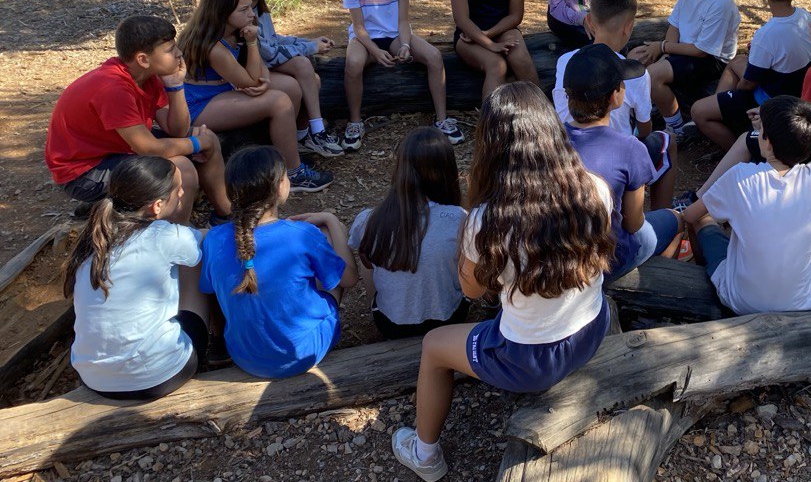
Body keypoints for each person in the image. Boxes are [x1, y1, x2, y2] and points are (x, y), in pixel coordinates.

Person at [391, 82, 614, 481]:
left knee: (433, 347)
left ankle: (425, 454)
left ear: (492, 145)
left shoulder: (487, 221)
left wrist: (471, 224)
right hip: (592, 328)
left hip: (528, 360)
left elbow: (471, 291)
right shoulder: (595, 189)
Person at [676, 0, 811, 209]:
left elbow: (800, 126)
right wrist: (771, 111)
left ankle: (698, 198)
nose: (809, 25)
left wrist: (768, 120)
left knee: (747, 138)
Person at [46, 15, 231, 223]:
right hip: (83, 173)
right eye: (170, 50)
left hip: (118, 151)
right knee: (181, 168)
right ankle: (176, 238)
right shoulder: (114, 89)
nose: (179, 53)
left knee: (206, 138)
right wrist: (196, 144)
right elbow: (150, 149)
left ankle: (226, 215)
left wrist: (175, 86)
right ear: (143, 59)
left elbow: (177, 130)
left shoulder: (147, 77)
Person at [199, 146, 357, 378]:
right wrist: (333, 222)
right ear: (280, 186)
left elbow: (210, 289)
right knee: (327, 236)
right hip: (305, 351)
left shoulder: (213, 239)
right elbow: (350, 279)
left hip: (245, 355)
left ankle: (218, 341)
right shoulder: (302, 234)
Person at [65, 156, 208, 400]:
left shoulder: (93, 239)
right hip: (161, 375)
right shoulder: (164, 236)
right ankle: (214, 345)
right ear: (157, 206)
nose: (183, 192)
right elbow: (206, 242)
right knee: (195, 260)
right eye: (179, 189)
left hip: (94, 378)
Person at [178, 0, 332, 192]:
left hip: (224, 90)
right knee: (279, 101)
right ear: (222, 13)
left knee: (290, 87)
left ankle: (286, 151)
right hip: (198, 105)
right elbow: (250, 80)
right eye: (244, 10)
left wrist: (265, 79)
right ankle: (293, 173)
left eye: (250, 7)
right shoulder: (215, 47)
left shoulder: (235, 31)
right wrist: (252, 44)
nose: (251, 14)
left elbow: (258, 74)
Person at [681, 96, 811, 315]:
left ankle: (705, 267)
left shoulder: (741, 177)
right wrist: (771, 125)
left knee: (703, 219)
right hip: (802, 300)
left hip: (742, 301)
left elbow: (690, 215)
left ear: (767, 141)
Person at [552, 0, 678, 209]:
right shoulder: (635, 75)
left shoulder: (565, 62)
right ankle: (663, 212)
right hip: (618, 160)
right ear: (628, 28)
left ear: (589, 21)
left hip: (567, 153)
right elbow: (644, 128)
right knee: (666, 141)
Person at [563, 44, 684, 279]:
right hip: (606, 260)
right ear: (615, 96)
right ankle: (654, 282)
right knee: (676, 220)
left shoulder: (547, 141)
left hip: (560, 254)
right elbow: (633, 224)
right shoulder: (630, 149)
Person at [341, 0, 460, 151]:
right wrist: (375, 52)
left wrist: (405, 45)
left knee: (434, 56)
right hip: (365, 39)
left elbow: (403, 21)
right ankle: (355, 122)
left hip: (395, 34)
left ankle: (442, 118)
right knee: (353, 64)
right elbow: (358, 26)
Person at [349, 127, 469, 340]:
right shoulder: (459, 218)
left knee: (370, 254)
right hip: (449, 320)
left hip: (390, 325)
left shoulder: (368, 220)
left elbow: (368, 263)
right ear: (448, 171)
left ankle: (379, 303)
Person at [221, 0, 343, 157]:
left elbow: (274, 39)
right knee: (302, 68)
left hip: (265, 67)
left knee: (314, 79)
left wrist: (307, 41)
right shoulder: (242, 17)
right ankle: (316, 131)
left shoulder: (258, 8)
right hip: (250, 73)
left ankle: (303, 134)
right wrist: (310, 47)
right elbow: (269, 52)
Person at [690, 0, 811, 150]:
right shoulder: (806, 18)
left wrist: (737, 92)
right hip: (797, 88)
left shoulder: (766, 35)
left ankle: (742, 149)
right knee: (736, 61)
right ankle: (723, 111)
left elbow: (748, 83)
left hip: (770, 99)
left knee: (697, 111)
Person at [628, 0, 740, 136]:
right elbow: (675, 24)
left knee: (653, 74)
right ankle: (651, 106)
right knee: (634, 56)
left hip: (711, 59)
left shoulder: (721, 3)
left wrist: (664, 49)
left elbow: (701, 50)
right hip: (683, 49)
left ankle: (677, 127)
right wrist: (667, 51)